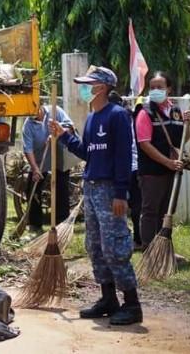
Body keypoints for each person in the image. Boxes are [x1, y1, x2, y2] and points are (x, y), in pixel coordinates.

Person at [50, 66, 141, 325]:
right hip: (91, 188)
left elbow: (123, 156)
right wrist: (64, 137)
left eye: (88, 84)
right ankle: (108, 299)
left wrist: (121, 193)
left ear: (101, 87)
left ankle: (132, 304)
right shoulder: (92, 117)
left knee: (114, 246)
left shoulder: (118, 115)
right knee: (95, 246)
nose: (84, 88)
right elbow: (87, 153)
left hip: (110, 189)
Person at [134, 71, 190, 247]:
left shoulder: (175, 111)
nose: (155, 90)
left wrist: (188, 124)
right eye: (152, 87)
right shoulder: (145, 112)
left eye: (159, 87)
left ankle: (164, 250)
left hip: (172, 170)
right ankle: (149, 251)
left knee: (167, 212)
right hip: (152, 172)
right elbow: (144, 144)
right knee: (150, 212)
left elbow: (182, 139)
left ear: (169, 89)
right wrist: (168, 162)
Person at [21, 104, 74, 233]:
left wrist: (58, 132)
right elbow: (28, 149)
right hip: (41, 160)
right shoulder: (28, 125)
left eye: (33, 111)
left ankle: (62, 224)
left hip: (59, 157)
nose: (32, 115)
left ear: (39, 106)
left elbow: (70, 127)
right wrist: (35, 169)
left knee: (61, 188)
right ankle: (35, 224)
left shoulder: (55, 111)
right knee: (32, 188)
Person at [109, 90, 143, 249]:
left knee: (129, 206)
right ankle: (135, 239)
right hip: (133, 168)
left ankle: (135, 239)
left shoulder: (119, 119)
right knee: (135, 206)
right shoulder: (129, 117)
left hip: (129, 168)